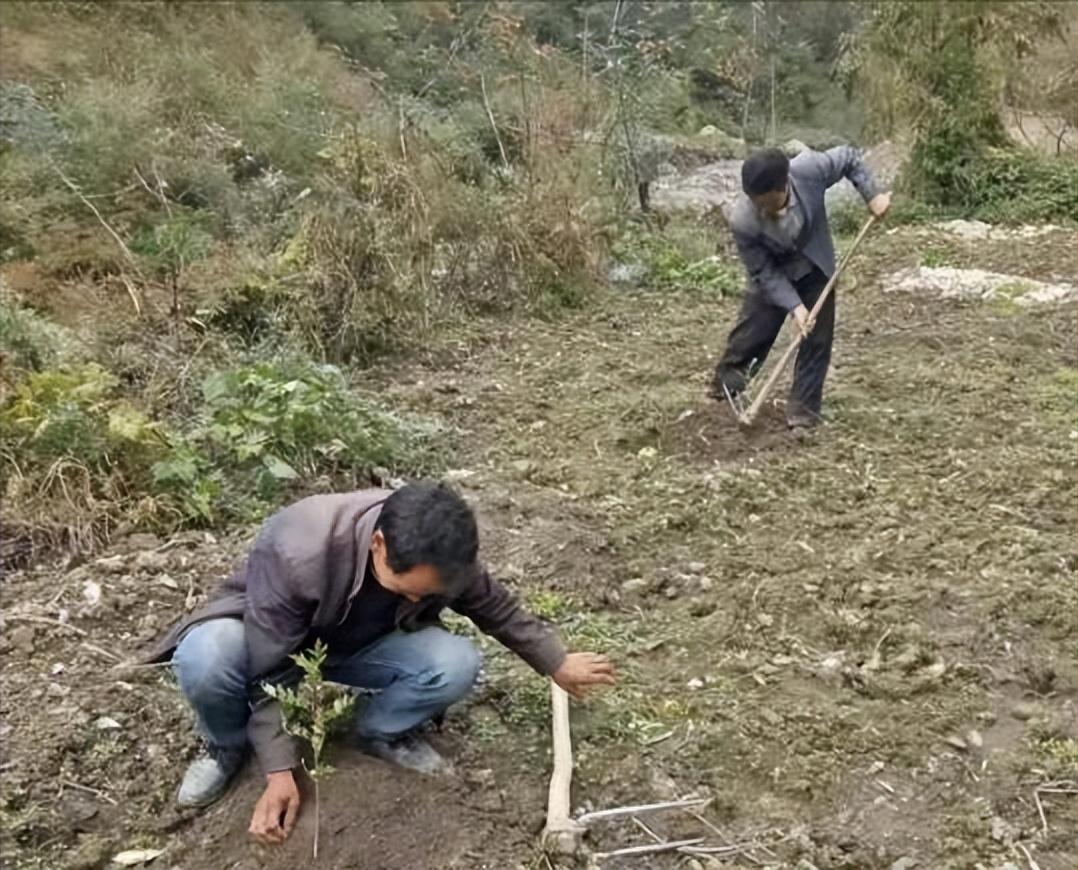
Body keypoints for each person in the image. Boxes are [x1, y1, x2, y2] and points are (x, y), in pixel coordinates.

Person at [145, 482, 616, 845]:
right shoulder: (298, 548)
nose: (417, 598)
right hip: (269, 639)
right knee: (207, 655)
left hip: (362, 643)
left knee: (454, 661)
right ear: (378, 546)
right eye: (408, 588)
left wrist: (555, 661)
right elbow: (271, 666)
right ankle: (226, 746)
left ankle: (377, 733)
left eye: (428, 595)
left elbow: (493, 607)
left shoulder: (443, 550)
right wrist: (279, 771)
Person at [711, 146, 891, 429]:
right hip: (773, 273)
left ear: (782, 186)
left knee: (816, 340)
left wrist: (873, 195)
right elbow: (763, 272)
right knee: (752, 334)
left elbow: (849, 158)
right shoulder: (743, 220)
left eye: (764, 202)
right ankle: (724, 395)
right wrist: (795, 308)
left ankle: (803, 414)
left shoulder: (809, 170)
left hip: (814, 265)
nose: (759, 208)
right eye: (754, 201)